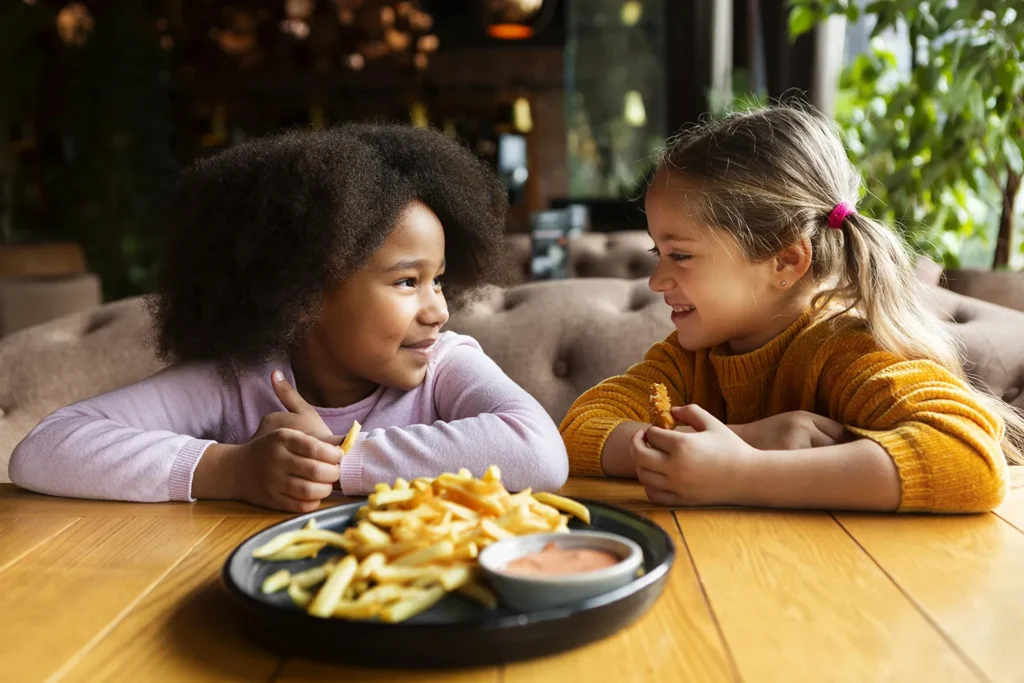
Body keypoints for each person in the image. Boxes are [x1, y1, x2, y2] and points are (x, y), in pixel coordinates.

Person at [10, 125, 569, 512]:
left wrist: (339, 457)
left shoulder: (444, 365)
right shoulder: (241, 380)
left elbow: (538, 451)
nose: (439, 310)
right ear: (304, 294)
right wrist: (232, 470)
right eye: (407, 281)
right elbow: (45, 448)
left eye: (438, 278)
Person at [560, 106, 1020, 512]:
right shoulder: (687, 360)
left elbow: (969, 457)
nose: (657, 280)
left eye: (680, 255)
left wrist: (742, 473)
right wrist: (752, 437)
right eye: (657, 253)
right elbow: (578, 432)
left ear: (785, 260)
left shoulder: (846, 347)